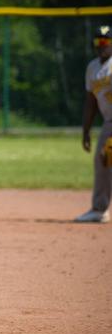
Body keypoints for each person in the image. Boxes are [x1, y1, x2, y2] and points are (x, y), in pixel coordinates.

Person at [75, 25, 112, 224]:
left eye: (106, 41)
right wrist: (86, 131)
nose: (102, 46)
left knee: (105, 157)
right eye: (98, 42)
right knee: (103, 160)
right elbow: (90, 102)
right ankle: (99, 209)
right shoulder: (93, 68)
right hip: (109, 122)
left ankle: (100, 207)